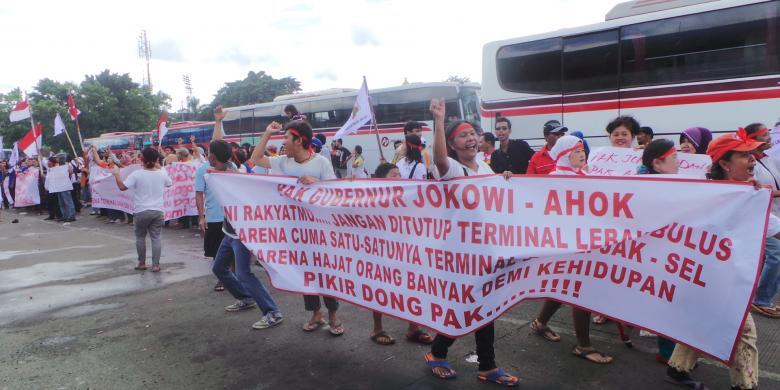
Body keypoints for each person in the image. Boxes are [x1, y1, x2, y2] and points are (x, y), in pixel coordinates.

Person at [666, 129, 778, 390]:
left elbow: (772, 227)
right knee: (744, 332)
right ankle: (745, 385)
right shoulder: (703, 196)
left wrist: (753, 196)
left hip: (722, 281)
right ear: (725, 164)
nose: (753, 160)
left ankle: (678, 369)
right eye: (745, 155)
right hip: (708, 281)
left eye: (753, 154)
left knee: (700, 323)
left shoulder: (749, 195)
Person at [425, 98, 518, 386]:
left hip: (484, 251)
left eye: (472, 135)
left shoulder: (485, 169)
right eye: (462, 136)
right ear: (453, 145)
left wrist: (504, 179)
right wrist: (439, 121)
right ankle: (442, 355)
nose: (470, 139)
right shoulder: (451, 168)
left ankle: (483, 365)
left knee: (482, 308)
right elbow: (439, 158)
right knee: (466, 307)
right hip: (457, 254)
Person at [249, 119, 343, 335]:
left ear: (299, 141)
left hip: (321, 233)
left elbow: (335, 193)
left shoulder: (321, 163)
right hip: (298, 233)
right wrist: (267, 133)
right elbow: (255, 159)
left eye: (286, 139)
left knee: (325, 273)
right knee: (306, 274)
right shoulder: (283, 162)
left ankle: (333, 314)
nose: (283, 143)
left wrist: (317, 184)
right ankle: (315, 314)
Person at [368, 162, 434, 346]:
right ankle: (377, 329)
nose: (399, 177)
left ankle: (413, 328)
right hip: (380, 251)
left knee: (411, 286)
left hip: (405, 250)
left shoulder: (407, 195)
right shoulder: (370, 197)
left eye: (399, 174)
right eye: (394, 174)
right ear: (382, 179)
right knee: (379, 288)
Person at [637, 139, 680, 364]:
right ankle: (669, 353)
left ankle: (671, 352)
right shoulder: (643, 187)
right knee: (666, 302)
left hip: (666, 255)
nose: (679, 163)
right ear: (658, 163)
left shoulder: (675, 184)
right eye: (674, 158)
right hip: (652, 256)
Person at [111, 147, 172, 272]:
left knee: (140, 237)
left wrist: (117, 175)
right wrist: (160, 167)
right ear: (156, 160)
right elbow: (169, 183)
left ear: (142, 159)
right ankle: (156, 265)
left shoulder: (137, 174)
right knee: (156, 238)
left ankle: (142, 263)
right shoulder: (162, 173)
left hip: (141, 210)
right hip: (158, 210)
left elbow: (122, 187)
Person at [744, 123, 780, 319]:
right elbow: (760, 192)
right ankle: (761, 299)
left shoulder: (769, 159)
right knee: (776, 256)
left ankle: (761, 296)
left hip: (774, 216)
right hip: (761, 218)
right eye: (765, 134)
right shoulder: (751, 162)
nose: (769, 137)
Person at [197, 107, 234, 292]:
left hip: (231, 218)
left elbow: (219, 144)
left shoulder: (232, 167)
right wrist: (201, 216)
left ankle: (234, 280)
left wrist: (218, 122)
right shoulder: (202, 170)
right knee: (216, 252)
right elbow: (199, 194)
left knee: (232, 252)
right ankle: (224, 279)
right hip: (212, 217)